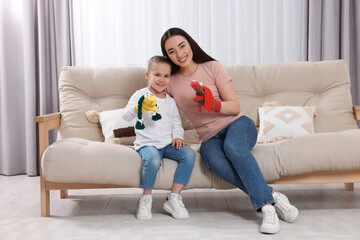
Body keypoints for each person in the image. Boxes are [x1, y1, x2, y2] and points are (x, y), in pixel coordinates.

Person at [160, 27, 299, 234]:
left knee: (233, 147)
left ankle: (267, 208)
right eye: (171, 51)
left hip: (238, 125)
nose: (179, 54)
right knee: (213, 160)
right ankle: (273, 196)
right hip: (208, 137)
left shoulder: (212, 67)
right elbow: (156, 100)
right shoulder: (171, 81)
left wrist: (214, 105)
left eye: (182, 46)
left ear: (190, 44)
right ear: (167, 56)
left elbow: (234, 106)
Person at [123, 55, 196, 221]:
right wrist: (137, 107)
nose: (162, 80)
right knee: (153, 160)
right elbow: (126, 116)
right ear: (148, 75)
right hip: (147, 144)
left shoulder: (170, 101)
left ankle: (174, 198)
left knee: (189, 155)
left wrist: (178, 137)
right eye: (157, 75)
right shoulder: (140, 95)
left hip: (168, 144)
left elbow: (177, 123)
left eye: (166, 76)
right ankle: (146, 197)